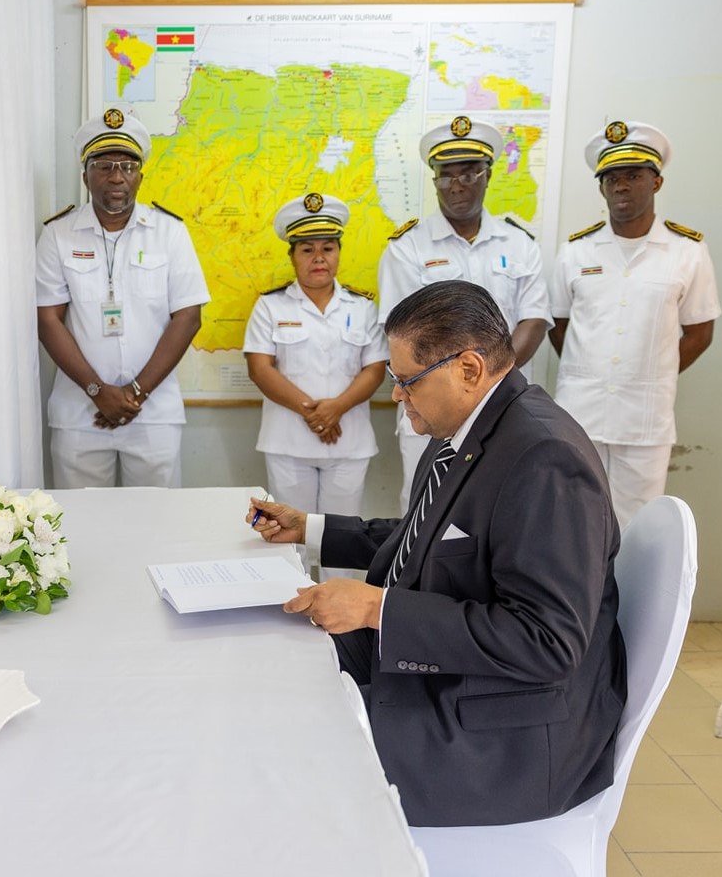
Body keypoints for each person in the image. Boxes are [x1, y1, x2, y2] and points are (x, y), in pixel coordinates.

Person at [247, 280, 626, 828]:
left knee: (286, 742)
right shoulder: (469, 428)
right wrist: (312, 528)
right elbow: (432, 536)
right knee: (270, 662)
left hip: (505, 730)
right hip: (449, 663)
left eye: (407, 381)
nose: (397, 395)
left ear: (469, 369)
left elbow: (546, 641)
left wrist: (377, 609)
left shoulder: (544, 458)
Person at [549, 120, 721, 527]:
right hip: (580, 412)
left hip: (645, 420)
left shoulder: (686, 251)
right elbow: (558, 324)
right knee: (572, 521)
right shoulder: (576, 250)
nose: (621, 186)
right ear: (601, 188)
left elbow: (700, 332)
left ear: (656, 182)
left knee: (637, 529)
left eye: (633, 176)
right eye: (611, 178)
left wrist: (651, 372)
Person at [377, 116, 552, 511]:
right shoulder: (407, 247)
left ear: (487, 175)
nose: (457, 184)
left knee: (499, 507)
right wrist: (460, 386)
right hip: (429, 408)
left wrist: (486, 381)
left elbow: (534, 319)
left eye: (469, 173)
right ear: (435, 180)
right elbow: (401, 333)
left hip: (504, 407)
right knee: (423, 511)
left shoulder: (519, 244)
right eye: (446, 175)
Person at [36, 107, 210, 488]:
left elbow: (188, 317)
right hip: (79, 412)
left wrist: (135, 392)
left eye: (128, 167)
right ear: (85, 176)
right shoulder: (58, 235)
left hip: (153, 413)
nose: (117, 176)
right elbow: (48, 320)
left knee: (156, 518)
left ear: (140, 177)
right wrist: (97, 392)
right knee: (81, 519)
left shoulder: (169, 232)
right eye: (104, 166)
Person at [243, 193, 388, 579]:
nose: (319, 258)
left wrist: (336, 408)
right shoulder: (271, 306)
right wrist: (315, 412)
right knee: (288, 541)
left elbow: (375, 368)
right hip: (289, 442)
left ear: (339, 252)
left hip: (348, 443)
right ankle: (291, 604)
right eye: (307, 249)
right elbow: (260, 368)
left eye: (328, 248)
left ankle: (340, 613)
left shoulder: (362, 307)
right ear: (292, 256)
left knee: (344, 539)